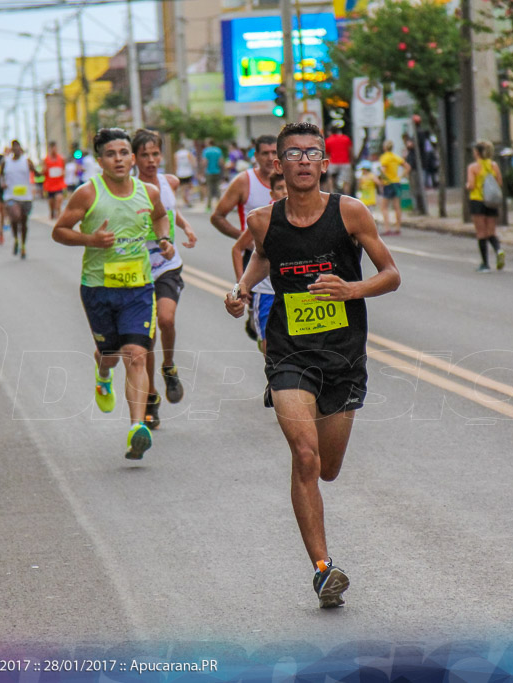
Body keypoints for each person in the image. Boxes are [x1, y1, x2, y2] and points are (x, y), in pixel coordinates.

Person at [223, 122, 401, 608]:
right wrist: (241, 289)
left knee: (328, 467)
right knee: (305, 456)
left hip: (343, 356)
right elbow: (263, 258)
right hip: (289, 354)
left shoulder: (351, 213)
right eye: (293, 154)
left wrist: (351, 289)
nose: (303, 161)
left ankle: (323, 554)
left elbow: (391, 275)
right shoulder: (263, 220)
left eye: (312, 153)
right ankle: (323, 570)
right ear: (277, 165)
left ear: (324, 163)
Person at [51, 128, 174, 460]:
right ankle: (102, 374)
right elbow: (59, 232)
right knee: (110, 355)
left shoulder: (148, 192)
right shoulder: (87, 194)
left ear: (132, 158)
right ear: (100, 160)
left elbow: (161, 217)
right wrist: (90, 240)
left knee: (135, 353)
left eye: (123, 153)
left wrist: (163, 239)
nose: (118, 159)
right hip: (98, 288)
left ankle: (137, 427)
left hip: (138, 288)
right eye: (110, 154)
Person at [131, 129, 199, 428]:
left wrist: (185, 227)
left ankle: (168, 367)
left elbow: (167, 211)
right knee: (145, 339)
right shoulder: (129, 188)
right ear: (134, 158)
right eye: (144, 155)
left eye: (155, 154)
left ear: (162, 155)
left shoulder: (169, 182)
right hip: (135, 269)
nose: (150, 160)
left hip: (167, 265)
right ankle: (150, 398)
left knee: (167, 320)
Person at [230, 171, 286, 354]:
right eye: (279, 188)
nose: (285, 192)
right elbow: (237, 249)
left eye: (288, 187)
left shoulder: (311, 216)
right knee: (269, 348)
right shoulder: (262, 218)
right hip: (266, 292)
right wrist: (242, 286)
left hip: (298, 293)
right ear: (272, 194)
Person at [210, 134, 277, 241]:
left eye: (274, 153)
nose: (270, 158)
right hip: (252, 254)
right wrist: (243, 239)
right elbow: (217, 217)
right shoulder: (244, 180)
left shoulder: (290, 179)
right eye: (265, 153)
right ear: (256, 156)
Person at [465, 140, 505, 272]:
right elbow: (499, 182)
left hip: (477, 200)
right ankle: (498, 249)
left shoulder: (473, 167)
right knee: (491, 231)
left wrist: (468, 186)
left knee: (481, 233)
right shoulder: (494, 165)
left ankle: (485, 263)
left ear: (477, 152)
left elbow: (471, 185)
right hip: (491, 201)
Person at [1, 139, 36, 259]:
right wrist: (2, 182)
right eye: (13, 147)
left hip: (25, 197)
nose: (16, 150)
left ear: (21, 149)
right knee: (15, 217)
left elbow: (36, 173)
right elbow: (0, 175)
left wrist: (41, 173)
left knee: (24, 222)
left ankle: (23, 245)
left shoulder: (27, 161)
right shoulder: (6, 162)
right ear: (11, 150)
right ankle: (16, 238)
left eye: (18, 147)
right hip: (11, 196)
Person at [377, 140, 409, 236]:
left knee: (384, 207)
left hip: (388, 183)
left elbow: (383, 171)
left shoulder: (384, 157)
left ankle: (387, 228)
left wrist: (381, 182)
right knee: (397, 206)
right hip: (396, 183)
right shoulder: (396, 157)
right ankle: (398, 228)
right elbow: (407, 167)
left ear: (384, 147)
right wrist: (401, 176)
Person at [324, 125, 353, 195]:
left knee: (330, 177)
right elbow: (350, 151)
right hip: (345, 162)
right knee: (346, 180)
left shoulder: (328, 140)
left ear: (330, 132)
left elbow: (327, 154)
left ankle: (331, 192)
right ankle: (347, 195)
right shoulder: (346, 138)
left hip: (333, 162)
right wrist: (351, 160)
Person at [42, 141, 67, 219]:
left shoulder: (62, 159)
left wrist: (63, 172)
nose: (54, 150)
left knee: (59, 200)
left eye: (55, 148)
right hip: (49, 185)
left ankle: (59, 215)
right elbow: (43, 171)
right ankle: (52, 212)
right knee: (51, 203)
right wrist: (44, 170)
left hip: (59, 184)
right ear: (49, 149)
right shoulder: (46, 160)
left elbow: (64, 169)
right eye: (52, 148)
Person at [201, 138, 224, 210]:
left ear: (208, 143)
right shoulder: (218, 150)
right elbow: (221, 161)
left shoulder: (206, 151)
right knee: (217, 188)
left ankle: (208, 206)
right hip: (217, 171)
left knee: (209, 189)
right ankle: (220, 206)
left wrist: (202, 171)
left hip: (209, 172)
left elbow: (205, 162)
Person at [173, 142, 196, 208]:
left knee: (183, 188)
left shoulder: (176, 154)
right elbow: (193, 162)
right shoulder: (188, 153)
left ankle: (185, 201)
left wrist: (175, 172)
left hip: (180, 173)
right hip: (188, 172)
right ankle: (188, 200)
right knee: (189, 187)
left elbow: (175, 164)